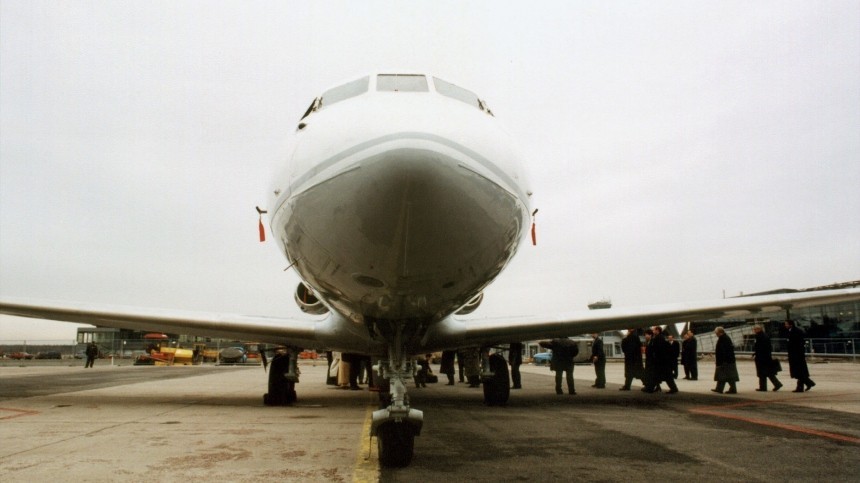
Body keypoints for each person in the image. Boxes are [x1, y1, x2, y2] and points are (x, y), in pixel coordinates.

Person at [785, 319, 815, 392]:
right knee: (799, 371)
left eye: (786, 324)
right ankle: (809, 383)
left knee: (799, 371)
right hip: (795, 354)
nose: (785, 326)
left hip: (797, 355)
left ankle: (800, 387)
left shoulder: (796, 332)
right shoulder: (792, 331)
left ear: (790, 324)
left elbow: (797, 344)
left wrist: (796, 353)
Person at [645, 327, 678, 394]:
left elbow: (657, 349)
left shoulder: (658, 338)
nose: (653, 331)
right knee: (664, 376)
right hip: (662, 361)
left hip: (661, 361)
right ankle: (651, 388)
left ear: (657, 330)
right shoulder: (660, 338)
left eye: (654, 330)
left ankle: (650, 388)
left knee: (662, 375)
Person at [752, 325, 782, 391]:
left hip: (762, 358)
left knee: (764, 373)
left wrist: (757, 354)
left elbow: (761, 348)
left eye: (755, 329)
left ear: (758, 329)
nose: (754, 331)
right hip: (764, 357)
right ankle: (771, 385)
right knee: (766, 373)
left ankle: (766, 386)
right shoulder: (762, 336)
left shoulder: (761, 337)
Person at [712, 327, 739, 394]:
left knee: (727, 375)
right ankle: (719, 388)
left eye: (716, 332)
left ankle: (731, 389)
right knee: (724, 375)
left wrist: (722, 360)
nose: (716, 334)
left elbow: (723, 351)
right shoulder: (724, 338)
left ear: (719, 332)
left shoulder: (723, 339)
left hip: (726, 361)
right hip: (727, 360)